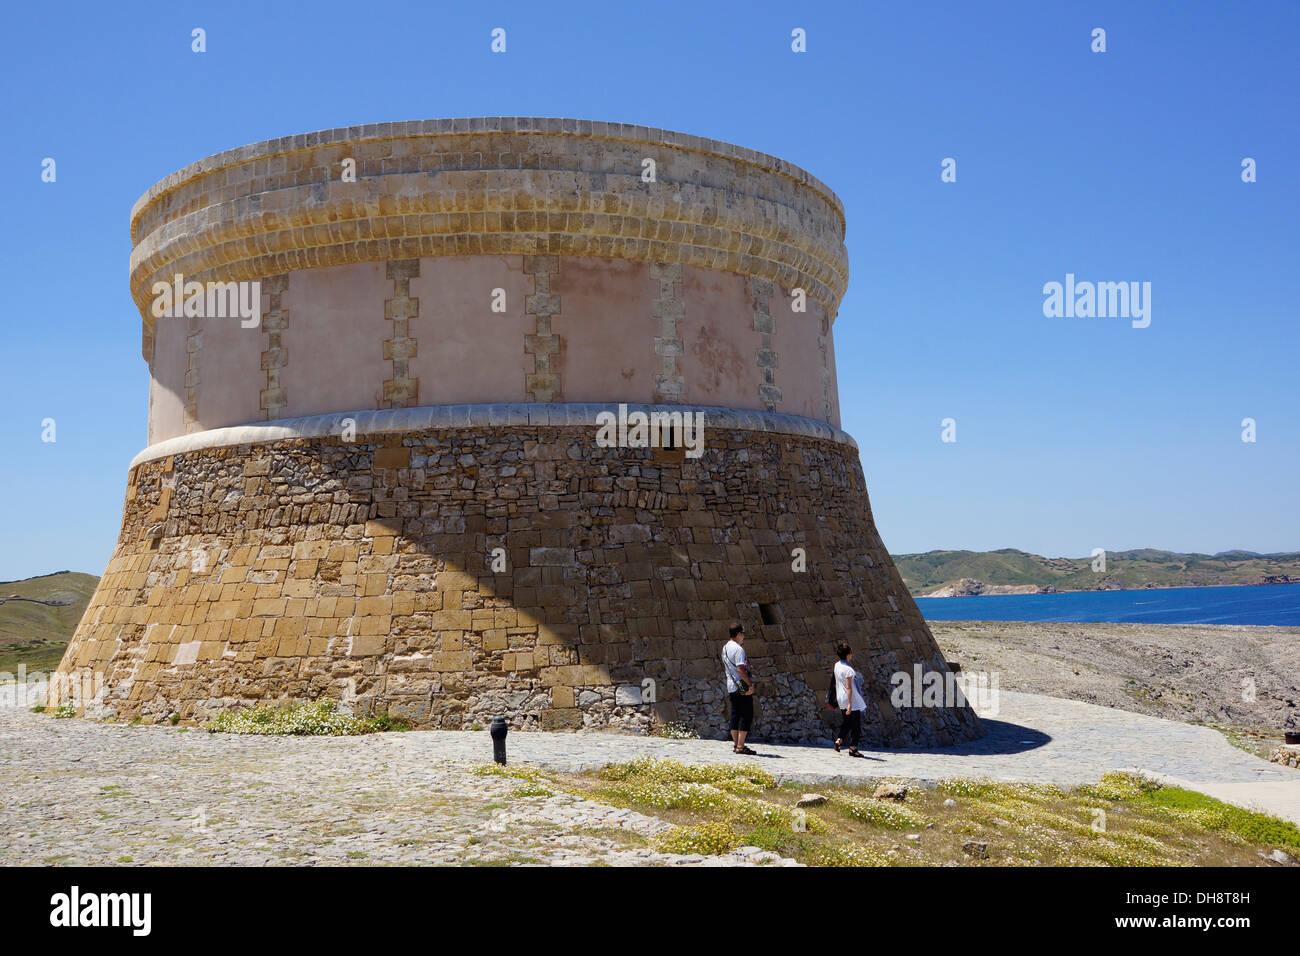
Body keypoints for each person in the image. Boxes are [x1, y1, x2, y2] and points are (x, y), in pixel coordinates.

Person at [722, 622, 757, 755]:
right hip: (741, 685)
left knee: (735, 714)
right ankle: (741, 746)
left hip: (731, 685)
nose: (743, 636)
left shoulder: (725, 648)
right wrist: (749, 684)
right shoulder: (738, 649)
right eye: (743, 633)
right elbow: (740, 669)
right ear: (738, 634)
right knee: (746, 714)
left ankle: (736, 744)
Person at [833, 641, 867, 757]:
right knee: (856, 726)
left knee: (846, 722)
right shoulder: (849, 670)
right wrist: (850, 704)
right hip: (850, 700)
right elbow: (849, 687)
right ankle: (853, 748)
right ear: (848, 655)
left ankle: (839, 740)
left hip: (840, 698)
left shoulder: (837, 665)